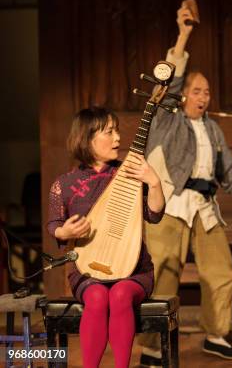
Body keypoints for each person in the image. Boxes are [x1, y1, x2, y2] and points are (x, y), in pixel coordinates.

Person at [139, 2, 232, 365]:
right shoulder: (166, 121)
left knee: (221, 271)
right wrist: (184, 33)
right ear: (183, 94)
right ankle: (154, 346)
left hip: (204, 208)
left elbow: (230, 175)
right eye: (197, 90)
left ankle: (216, 334)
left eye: (207, 92)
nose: (204, 97)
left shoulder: (214, 130)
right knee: (164, 273)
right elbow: (167, 87)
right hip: (168, 205)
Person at [47, 107, 165, 368]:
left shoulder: (130, 173)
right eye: (109, 132)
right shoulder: (64, 184)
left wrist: (154, 183)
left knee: (121, 294)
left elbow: (153, 215)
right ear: (87, 138)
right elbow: (54, 225)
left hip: (134, 268)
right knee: (98, 297)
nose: (118, 139)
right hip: (87, 270)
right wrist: (65, 232)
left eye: (117, 130)